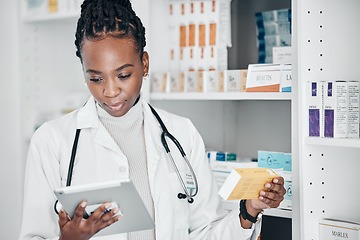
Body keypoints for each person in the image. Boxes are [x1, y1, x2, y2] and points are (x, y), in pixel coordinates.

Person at [19, 0, 286, 239]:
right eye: (96, 78)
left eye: (123, 75)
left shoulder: (182, 133)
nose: (110, 91)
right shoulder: (52, 141)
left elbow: (206, 232)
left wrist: (249, 211)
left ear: (144, 64)